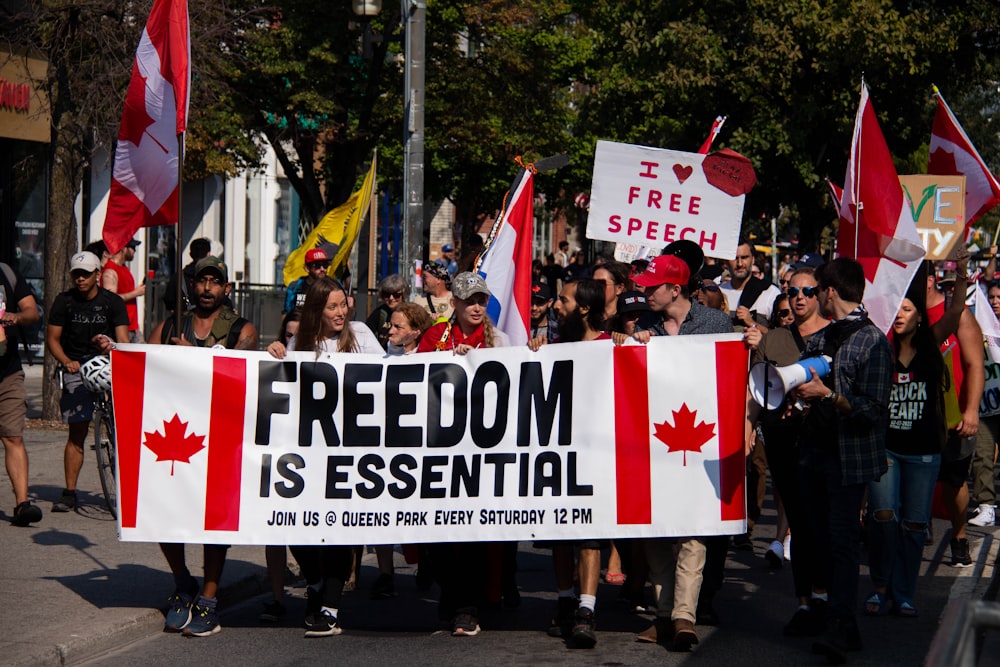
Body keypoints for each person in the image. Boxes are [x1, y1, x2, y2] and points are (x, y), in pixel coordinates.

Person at [618, 253, 731, 650]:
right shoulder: (645, 324)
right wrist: (630, 344)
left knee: (693, 530)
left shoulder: (716, 324)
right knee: (657, 529)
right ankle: (665, 614)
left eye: (652, 287)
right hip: (653, 444)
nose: (644, 292)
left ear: (675, 289)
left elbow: (730, 377)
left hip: (701, 440)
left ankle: (683, 615)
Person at [789, 257, 893, 663]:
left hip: (846, 459)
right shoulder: (824, 336)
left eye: (815, 290)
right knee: (816, 539)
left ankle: (842, 623)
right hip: (813, 452)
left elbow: (873, 410)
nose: (811, 297)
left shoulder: (873, 341)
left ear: (830, 292)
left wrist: (828, 396)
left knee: (842, 542)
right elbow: (804, 383)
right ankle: (832, 614)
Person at [148, 256, 259, 637]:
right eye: (200, 281)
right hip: (176, 437)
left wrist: (191, 358)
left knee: (215, 520)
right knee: (165, 512)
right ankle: (183, 584)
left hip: (222, 437)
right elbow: (146, 371)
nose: (207, 288)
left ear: (226, 289)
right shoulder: (167, 327)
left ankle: (210, 596)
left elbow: (238, 374)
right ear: (190, 286)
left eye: (215, 281)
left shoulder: (243, 329)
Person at [266, 277, 381, 637]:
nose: (341, 312)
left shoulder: (360, 334)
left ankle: (329, 607)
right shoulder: (300, 342)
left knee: (338, 530)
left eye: (343, 304)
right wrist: (273, 354)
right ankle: (315, 584)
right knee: (297, 525)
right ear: (316, 310)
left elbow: (389, 377)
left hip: (350, 451)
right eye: (332, 307)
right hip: (308, 452)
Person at [864, 260, 967, 619]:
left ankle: (904, 592)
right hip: (887, 448)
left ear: (919, 316)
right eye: (897, 310)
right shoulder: (881, 347)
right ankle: (879, 586)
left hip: (923, 453)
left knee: (914, 525)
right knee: (884, 516)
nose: (900, 316)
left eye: (907, 309)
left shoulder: (930, 345)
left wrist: (963, 272)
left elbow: (955, 312)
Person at [416, 272, 511, 637]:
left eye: (481, 300)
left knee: (472, 533)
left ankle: (466, 608)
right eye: (469, 300)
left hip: (481, 452)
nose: (476, 307)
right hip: (439, 449)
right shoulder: (434, 337)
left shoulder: (499, 340)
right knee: (438, 535)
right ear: (453, 303)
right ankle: (452, 597)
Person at [744, 267, 830, 633]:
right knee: (798, 520)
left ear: (821, 294)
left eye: (807, 291)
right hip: (781, 438)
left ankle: (825, 596)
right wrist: (747, 427)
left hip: (823, 441)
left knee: (820, 524)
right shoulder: (773, 340)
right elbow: (754, 391)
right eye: (793, 290)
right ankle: (804, 603)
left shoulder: (835, 336)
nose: (799, 297)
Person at [527, 278, 609, 648]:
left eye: (563, 300)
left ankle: (586, 610)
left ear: (585, 308)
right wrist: (534, 351)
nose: (556, 306)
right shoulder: (554, 347)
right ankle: (564, 601)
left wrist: (634, 346)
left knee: (589, 536)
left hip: (596, 456)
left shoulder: (611, 347)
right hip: (557, 455)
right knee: (559, 533)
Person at [45, 251, 130, 514]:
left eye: (85, 274)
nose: (80, 279)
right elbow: (53, 339)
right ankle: (70, 493)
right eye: (76, 274)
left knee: (124, 430)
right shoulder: (64, 302)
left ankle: (130, 493)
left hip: (107, 365)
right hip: (77, 367)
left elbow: (123, 339)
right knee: (77, 431)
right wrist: (67, 361)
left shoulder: (112, 302)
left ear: (97, 275)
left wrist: (118, 353)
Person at [369, 301, 436, 600]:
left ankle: (425, 560)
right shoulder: (382, 357)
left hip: (420, 445)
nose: (390, 330)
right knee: (382, 507)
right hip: (387, 444)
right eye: (390, 325)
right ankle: (386, 573)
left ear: (416, 332)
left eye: (398, 327)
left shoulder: (433, 358)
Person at [926, 262, 984, 567]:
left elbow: (975, 364)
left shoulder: (958, 316)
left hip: (955, 416)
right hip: (919, 415)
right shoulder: (904, 315)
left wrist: (971, 410)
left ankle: (959, 535)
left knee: (954, 482)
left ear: (930, 280)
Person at [0, 260, 42, 525]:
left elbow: (31, 311)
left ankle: (22, 504)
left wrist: (16, 316)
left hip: (7, 371)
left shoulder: (7, 272)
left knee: (13, 435)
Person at [970, 280, 1000, 527]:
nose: (995, 301)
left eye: (999, 297)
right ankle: (986, 506)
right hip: (986, 406)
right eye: (991, 297)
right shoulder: (979, 325)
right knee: (982, 457)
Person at [719, 238, 783, 330]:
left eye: (744, 257)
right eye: (735, 258)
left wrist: (752, 323)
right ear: (726, 261)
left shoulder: (770, 292)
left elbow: (781, 337)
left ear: (753, 260)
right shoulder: (719, 292)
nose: (740, 264)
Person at [101, 238, 144, 342]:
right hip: (120, 328)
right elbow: (110, 299)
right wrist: (135, 293)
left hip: (132, 326)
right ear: (123, 249)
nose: (135, 251)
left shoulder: (124, 268)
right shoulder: (110, 270)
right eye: (132, 247)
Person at [162, 237, 211, 312]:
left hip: (184, 321)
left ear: (190, 254)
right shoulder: (214, 277)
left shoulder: (178, 277)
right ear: (208, 254)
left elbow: (169, 301)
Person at [365, 274, 409, 350]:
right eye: (387, 295)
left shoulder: (411, 312)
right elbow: (366, 334)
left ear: (403, 295)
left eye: (396, 295)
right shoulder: (379, 313)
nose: (391, 298)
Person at [284, 248, 332, 314]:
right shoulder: (295, 287)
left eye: (325, 265)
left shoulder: (333, 286)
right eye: (317, 266)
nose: (322, 269)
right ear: (307, 268)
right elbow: (287, 313)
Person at [593, 261, 630, 330]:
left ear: (619, 288)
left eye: (601, 283)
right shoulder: (586, 319)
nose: (595, 287)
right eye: (592, 283)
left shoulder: (627, 320)